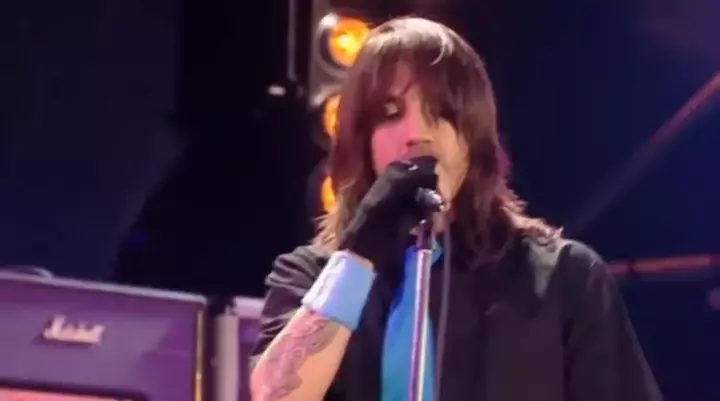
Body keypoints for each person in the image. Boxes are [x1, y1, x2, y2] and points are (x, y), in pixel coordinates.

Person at [248, 16, 663, 401]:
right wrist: (362, 248)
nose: (417, 134)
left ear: (473, 138)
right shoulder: (313, 277)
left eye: (443, 113)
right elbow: (273, 396)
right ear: (362, 140)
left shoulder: (564, 278)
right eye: (390, 115)